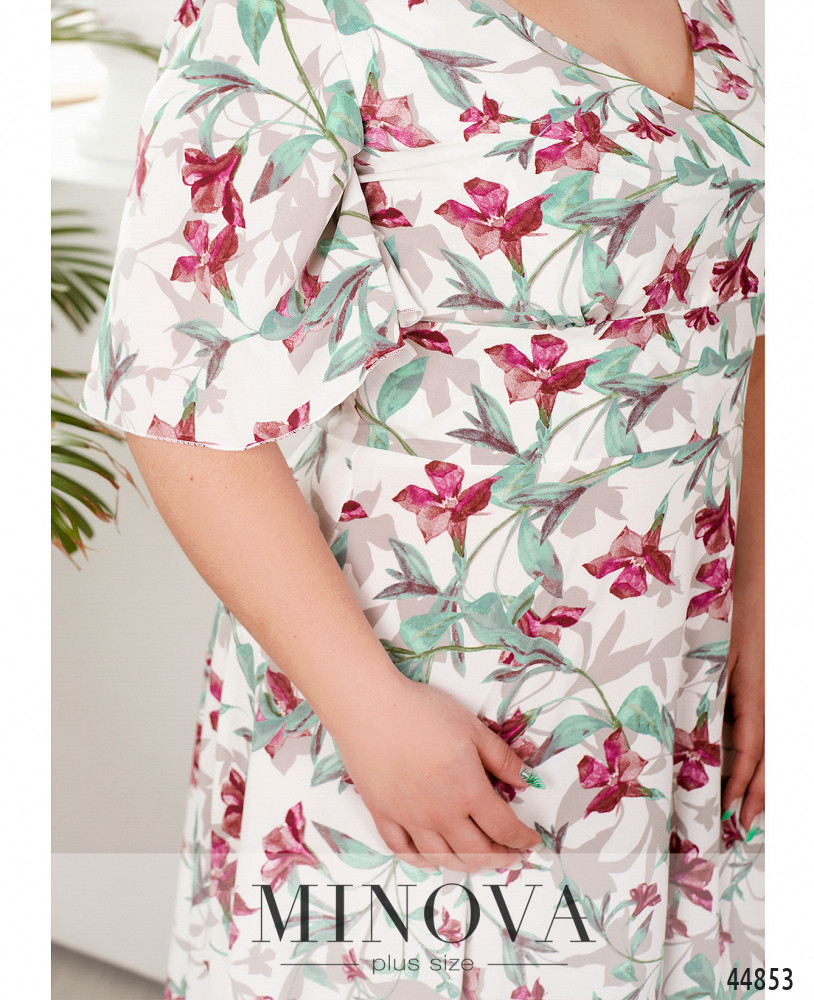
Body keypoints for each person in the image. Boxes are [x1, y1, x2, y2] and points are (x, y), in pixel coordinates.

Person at [79, 0, 765, 997]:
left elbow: (746, 313)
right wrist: (371, 712)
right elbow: (171, 391)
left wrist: (763, 612)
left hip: (680, 671)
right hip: (433, 688)